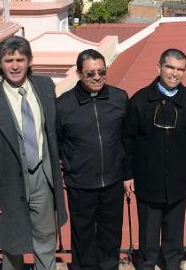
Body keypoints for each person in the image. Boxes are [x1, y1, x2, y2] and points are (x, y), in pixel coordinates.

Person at [0, 36, 66, 270]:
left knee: (45, 238)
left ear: (30, 61)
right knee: (12, 245)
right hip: (7, 185)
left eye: (20, 59)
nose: (15, 65)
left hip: (42, 176)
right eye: (8, 60)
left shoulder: (45, 86)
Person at [123, 48, 186, 270]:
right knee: (148, 234)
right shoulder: (140, 100)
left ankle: (172, 264)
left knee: (174, 232)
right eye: (170, 67)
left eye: (180, 69)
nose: (174, 73)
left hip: (179, 180)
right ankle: (147, 264)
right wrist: (128, 174)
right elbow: (127, 140)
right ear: (158, 67)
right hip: (147, 180)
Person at [56, 49, 128, 270]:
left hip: (113, 181)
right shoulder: (62, 105)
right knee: (83, 235)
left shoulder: (119, 97)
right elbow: (56, 142)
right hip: (81, 183)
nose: (97, 77)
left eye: (101, 72)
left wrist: (126, 172)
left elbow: (127, 138)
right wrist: (68, 166)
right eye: (90, 73)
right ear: (79, 74)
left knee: (111, 233)